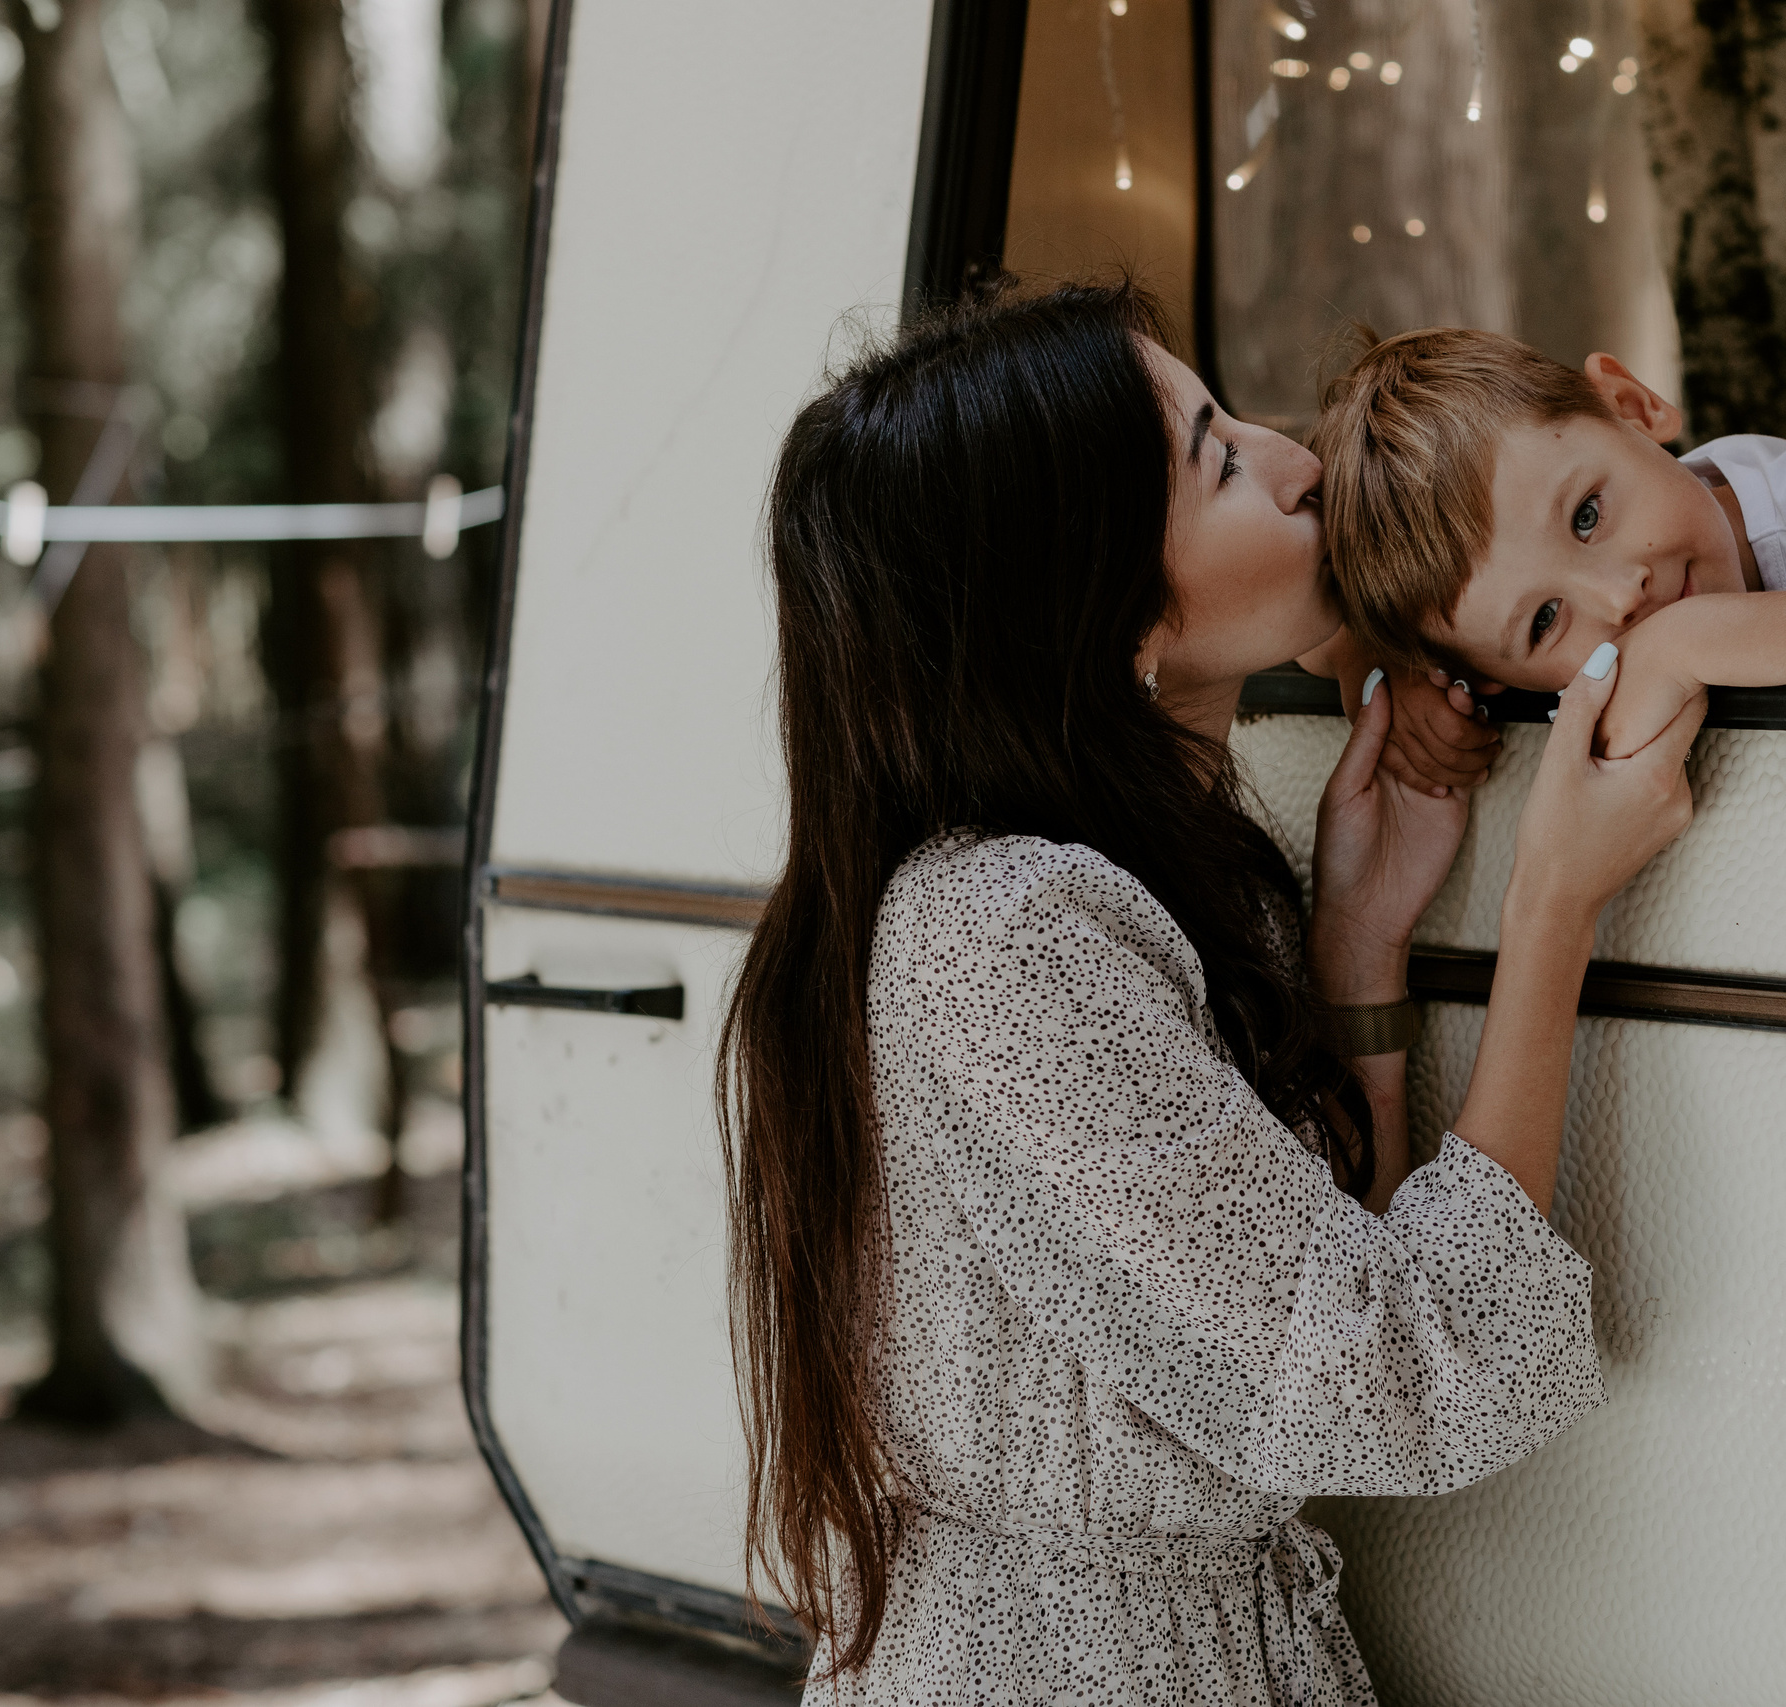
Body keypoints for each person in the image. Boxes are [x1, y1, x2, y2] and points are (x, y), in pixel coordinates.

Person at [717, 280, 1706, 1705]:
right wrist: (1555, 898)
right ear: (1112, 611)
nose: (1298, 459)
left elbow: (1304, 1304)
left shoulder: (1162, 878)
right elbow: (1397, 1375)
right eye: (1222, 460)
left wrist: (1358, 951)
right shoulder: (1003, 939)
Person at [1305, 325, 1786, 771]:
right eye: (1546, 618)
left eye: (1587, 516)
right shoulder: (1533, 665)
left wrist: (1689, 642)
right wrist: (1379, 671)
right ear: (1486, 675)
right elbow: (1315, 627)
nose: (1620, 600)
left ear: (1632, 404)